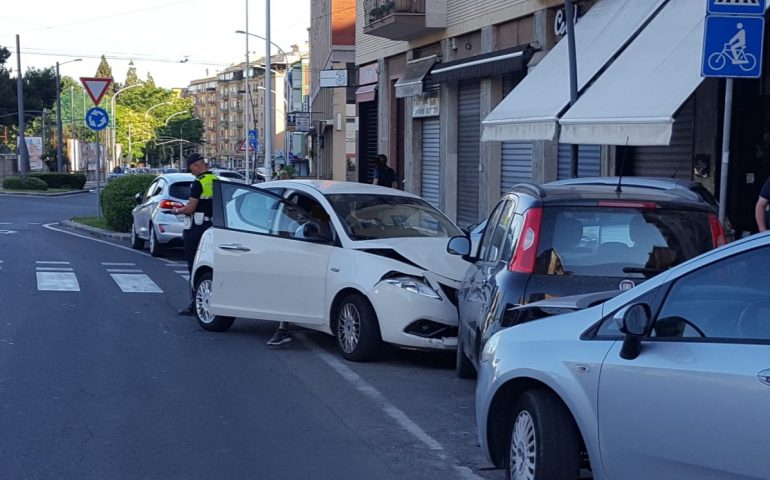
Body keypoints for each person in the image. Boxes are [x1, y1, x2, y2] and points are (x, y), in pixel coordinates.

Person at [172, 153, 218, 315]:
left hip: (196, 228)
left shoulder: (198, 183)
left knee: (194, 266)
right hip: (212, 227)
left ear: (196, 166)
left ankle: (194, 303)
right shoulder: (216, 180)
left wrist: (177, 210)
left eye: (190, 169)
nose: (191, 172)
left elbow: (190, 208)